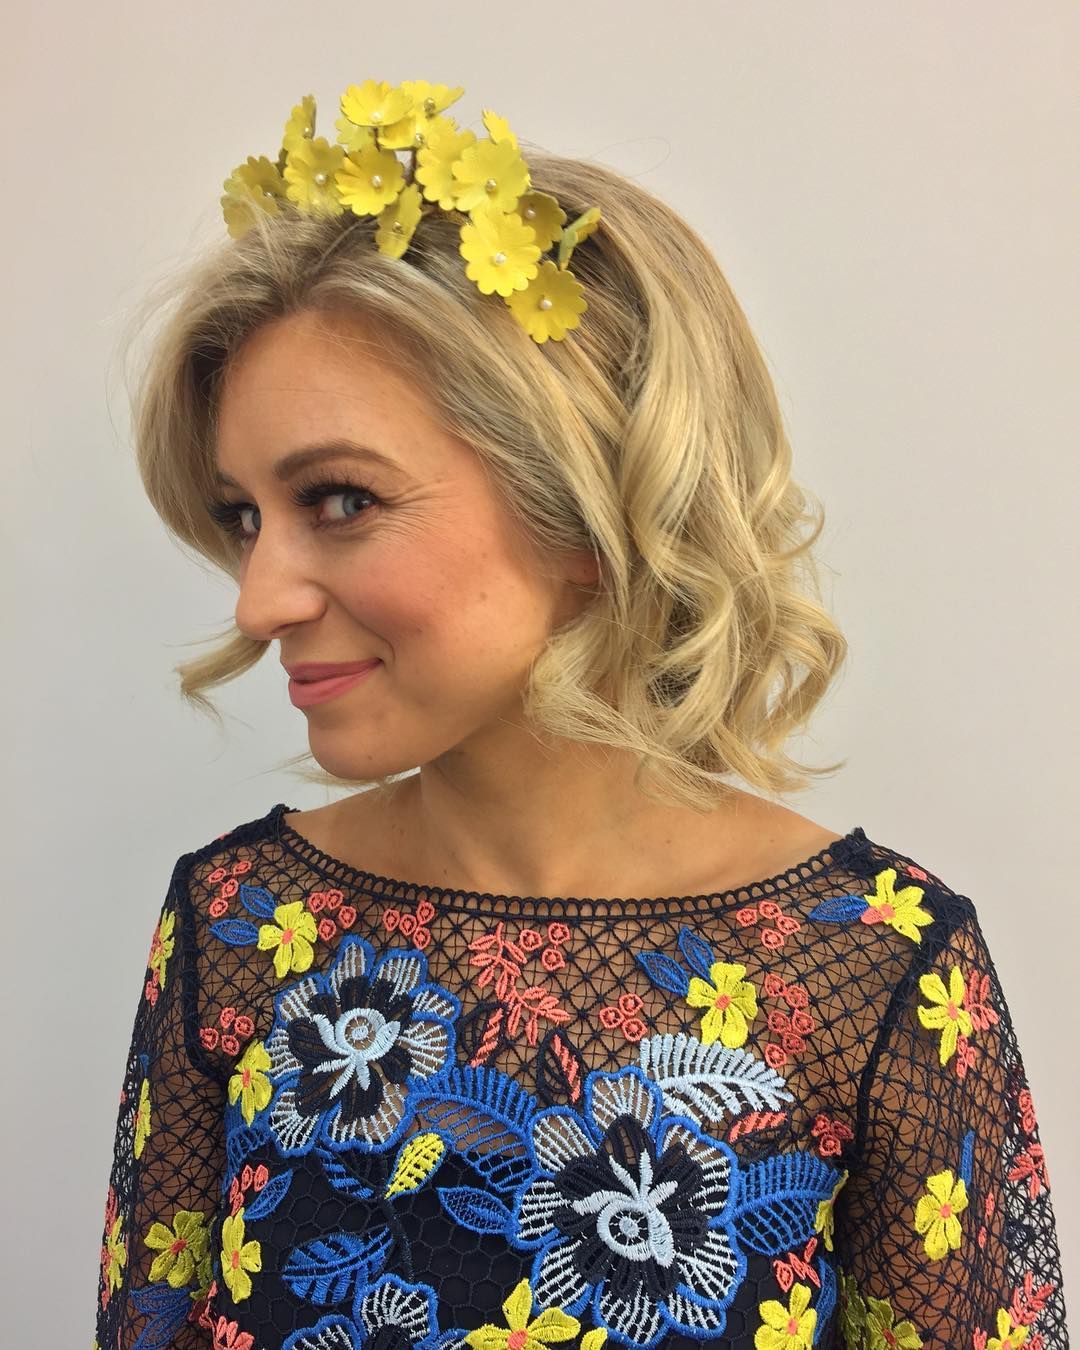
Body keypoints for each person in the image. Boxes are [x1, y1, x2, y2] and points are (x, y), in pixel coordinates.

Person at [94, 79, 1069, 1349]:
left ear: (592, 510)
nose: (260, 596)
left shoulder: (878, 972)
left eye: (339, 500)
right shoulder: (237, 930)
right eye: (243, 517)